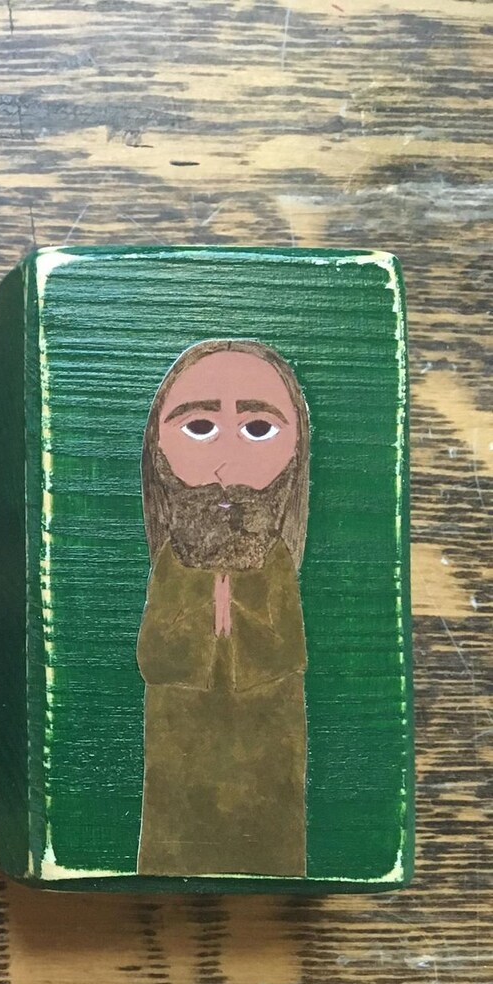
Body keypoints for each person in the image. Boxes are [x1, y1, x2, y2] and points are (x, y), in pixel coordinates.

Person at [135, 340, 309, 876]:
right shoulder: (172, 563)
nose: (226, 464)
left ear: (296, 449)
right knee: (175, 822)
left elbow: (285, 651)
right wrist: (199, 613)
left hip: (267, 731)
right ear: (158, 448)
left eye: (258, 428)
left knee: (272, 824)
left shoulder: (276, 562)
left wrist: (241, 619)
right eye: (199, 427)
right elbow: (155, 654)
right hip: (179, 730)